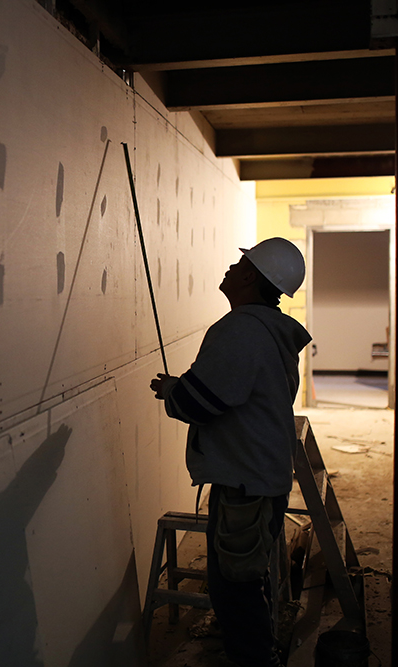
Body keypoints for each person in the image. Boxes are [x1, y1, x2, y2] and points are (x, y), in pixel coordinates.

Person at [150, 238, 311, 666]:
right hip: (257, 475)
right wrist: (182, 388)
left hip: (246, 482)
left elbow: (202, 403)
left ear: (250, 276)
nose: (230, 265)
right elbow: (228, 388)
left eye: (240, 261)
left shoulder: (240, 329)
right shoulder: (269, 329)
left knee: (235, 589)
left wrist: (172, 391)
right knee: (240, 581)